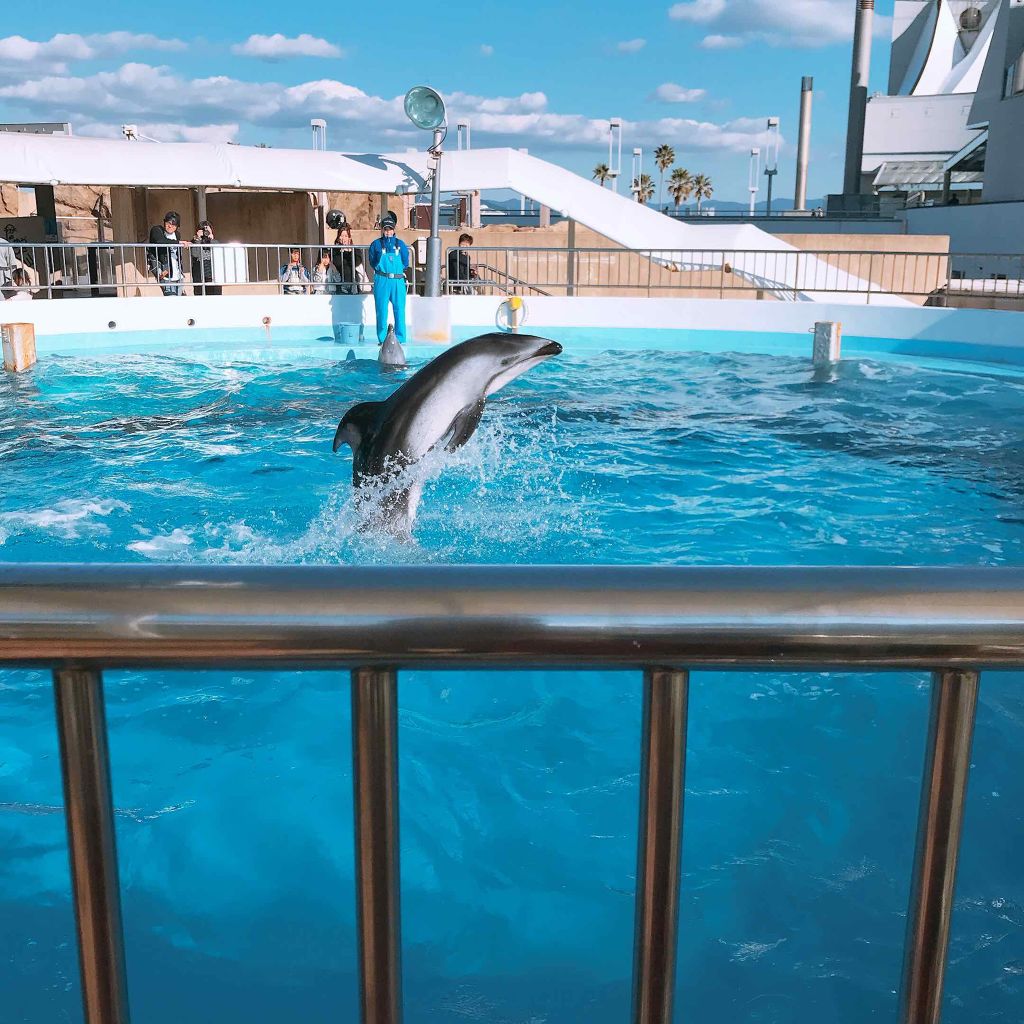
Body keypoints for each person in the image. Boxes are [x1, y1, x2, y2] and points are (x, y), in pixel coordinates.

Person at [367, 213, 410, 343]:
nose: (388, 232)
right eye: (385, 229)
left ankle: (400, 338)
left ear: (394, 229)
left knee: (399, 310)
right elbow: (372, 261)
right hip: (382, 279)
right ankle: (382, 338)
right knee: (381, 310)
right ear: (382, 229)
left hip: (397, 280)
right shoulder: (376, 244)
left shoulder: (400, 244)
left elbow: (405, 262)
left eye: (390, 229)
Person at [146, 211, 190, 296]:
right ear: (164, 222)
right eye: (168, 223)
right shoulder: (157, 230)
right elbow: (160, 241)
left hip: (178, 274)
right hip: (165, 273)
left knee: (179, 300)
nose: (170, 226)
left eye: (173, 225)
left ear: (177, 226)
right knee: (171, 298)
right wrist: (178, 242)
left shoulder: (177, 234)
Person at [331, 225, 365, 295]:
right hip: (340, 284)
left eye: (346, 236)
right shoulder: (335, 250)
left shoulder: (355, 250)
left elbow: (356, 262)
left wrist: (349, 250)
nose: (344, 238)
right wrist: (342, 251)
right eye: (341, 236)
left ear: (349, 237)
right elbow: (338, 263)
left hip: (354, 284)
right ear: (338, 237)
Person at [190, 220, 221, 296]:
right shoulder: (195, 242)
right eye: (203, 229)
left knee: (215, 296)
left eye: (207, 229)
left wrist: (211, 240)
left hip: (213, 275)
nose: (205, 231)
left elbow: (218, 254)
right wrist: (198, 239)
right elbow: (195, 254)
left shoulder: (215, 242)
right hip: (199, 275)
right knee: (200, 296)